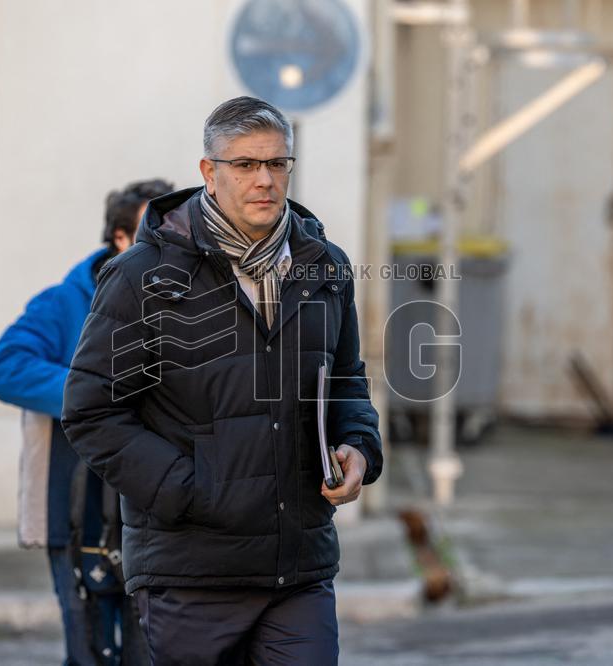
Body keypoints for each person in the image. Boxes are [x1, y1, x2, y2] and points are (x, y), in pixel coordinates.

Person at [61, 96, 383, 665]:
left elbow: (348, 382)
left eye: (278, 163)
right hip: (190, 570)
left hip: (297, 566)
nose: (265, 179)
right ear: (209, 172)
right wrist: (191, 489)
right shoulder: (143, 277)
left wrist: (357, 448)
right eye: (245, 165)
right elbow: (93, 413)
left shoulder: (324, 267)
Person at [0, 179, 173, 666]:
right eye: (158, 231)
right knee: (84, 653)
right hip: (73, 507)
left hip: (155, 512)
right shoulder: (64, 301)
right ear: (120, 239)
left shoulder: (185, 304)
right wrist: (96, 390)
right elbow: (3, 368)